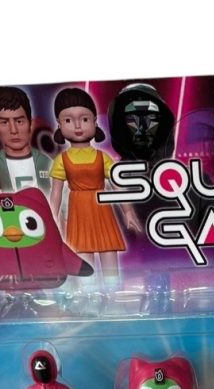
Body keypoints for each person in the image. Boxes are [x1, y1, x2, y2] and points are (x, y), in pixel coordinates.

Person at [48, 86, 140, 280]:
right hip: (78, 212)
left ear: (94, 122)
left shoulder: (102, 157)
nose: (77, 126)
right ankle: (88, 294)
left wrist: (128, 211)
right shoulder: (61, 160)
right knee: (84, 259)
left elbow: (117, 185)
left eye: (84, 119)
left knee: (109, 254)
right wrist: (52, 218)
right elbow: (55, 193)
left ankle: (113, 290)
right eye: (68, 120)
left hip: (102, 210)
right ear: (59, 125)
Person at [0, 86, 51, 194]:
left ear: (30, 123)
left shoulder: (45, 162)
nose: (14, 130)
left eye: (19, 121)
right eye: (4, 122)